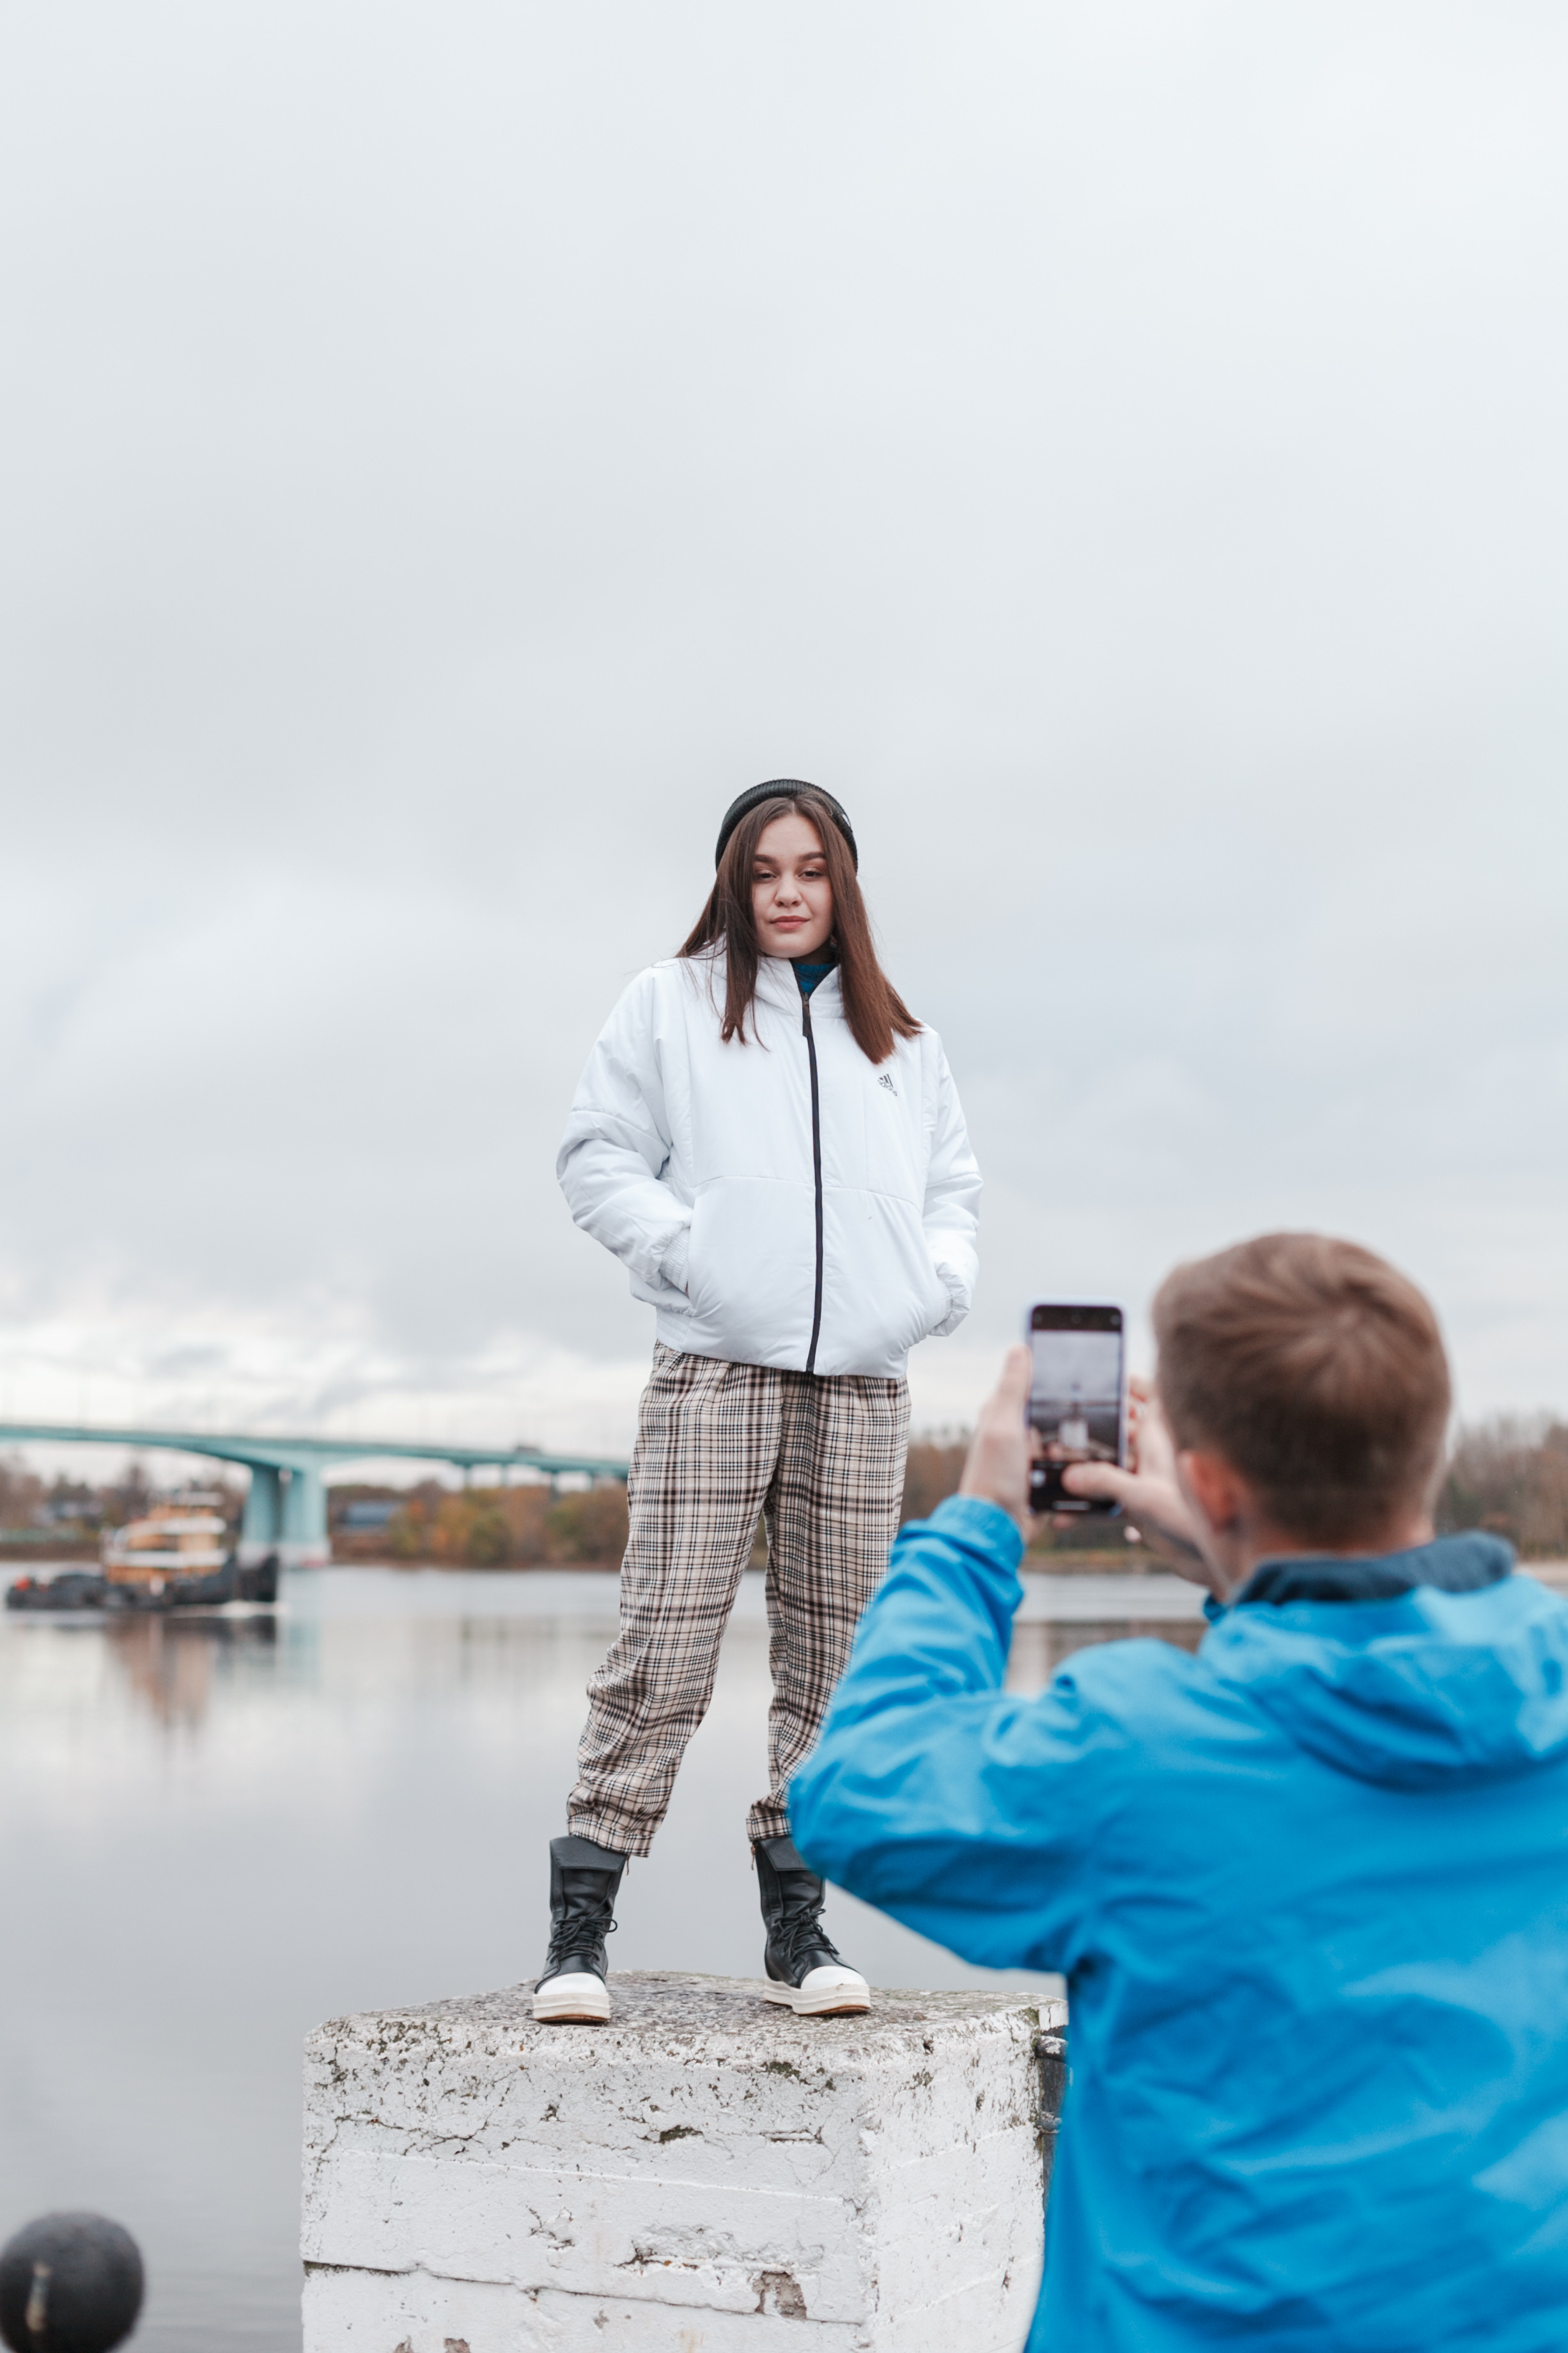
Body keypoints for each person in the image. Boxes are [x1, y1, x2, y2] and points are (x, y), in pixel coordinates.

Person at [791, 1232, 1568, 2350]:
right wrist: (1239, 1569)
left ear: (1204, 1483)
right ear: (1427, 1448)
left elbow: (859, 1787)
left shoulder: (1136, 1756)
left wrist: (978, 1528)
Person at [537, 779, 981, 2026]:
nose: (788, 893)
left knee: (833, 1659)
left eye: (811, 870)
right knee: (666, 1642)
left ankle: (798, 1925)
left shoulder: (904, 1040)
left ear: (845, 882)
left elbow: (952, 1191)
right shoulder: (669, 1003)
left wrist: (932, 1290)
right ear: (735, 882)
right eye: (765, 871)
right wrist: (691, 1257)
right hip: (716, 1365)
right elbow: (596, 1156)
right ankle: (581, 1929)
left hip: (865, 1379)